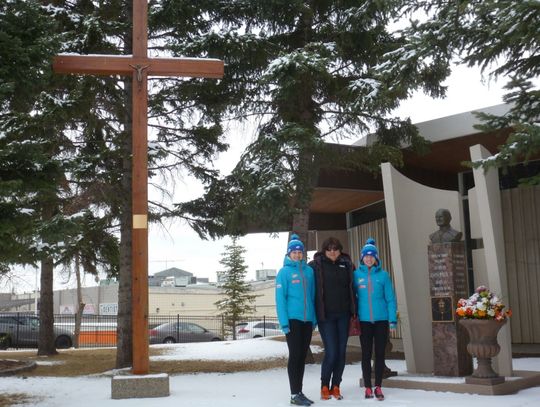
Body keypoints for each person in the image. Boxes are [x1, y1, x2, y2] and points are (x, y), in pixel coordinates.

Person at [309, 237, 356, 400]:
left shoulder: (348, 264)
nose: (332, 252)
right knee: (332, 351)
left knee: (341, 352)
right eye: (329, 249)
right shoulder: (315, 266)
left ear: (340, 250)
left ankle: (336, 386)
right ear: (324, 250)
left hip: (344, 315)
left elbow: (354, 287)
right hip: (326, 317)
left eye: (335, 248)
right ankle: (324, 385)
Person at [276, 234, 317, 406]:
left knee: (302, 357)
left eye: (300, 252)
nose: (297, 255)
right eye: (294, 252)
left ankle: (299, 391)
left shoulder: (309, 271)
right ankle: (294, 394)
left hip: (307, 321)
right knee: (295, 356)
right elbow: (280, 299)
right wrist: (284, 322)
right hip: (293, 321)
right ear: (289, 254)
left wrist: (314, 319)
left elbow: (313, 295)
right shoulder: (284, 273)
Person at [353, 238, 397, 401]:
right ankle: (367, 387)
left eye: (372, 256)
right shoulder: (356, 275)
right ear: (362, 258)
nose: (369, 259)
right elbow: (351, 297)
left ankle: (378, 386)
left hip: (381, 320)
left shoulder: (383, 275)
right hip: (364, 321)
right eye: (366, 256)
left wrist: (392, 320)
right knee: (365, 354)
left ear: (376, 258)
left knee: (379, 354)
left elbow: (390, 299)